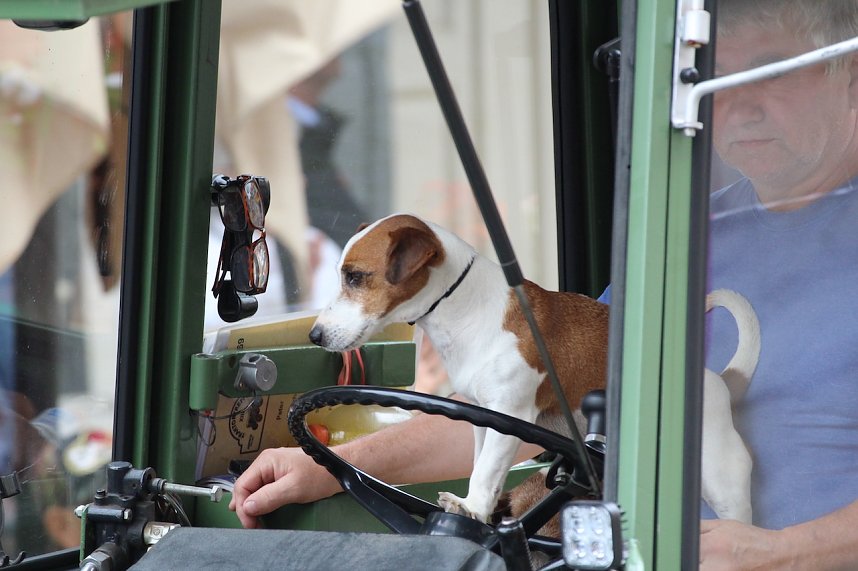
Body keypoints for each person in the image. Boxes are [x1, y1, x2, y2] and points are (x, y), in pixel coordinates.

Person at [231, 1, 858, 568]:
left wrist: (784, 555)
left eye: (772, 72)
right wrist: (333, 468)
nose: (738, 103)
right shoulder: (688, 233)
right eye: (719, 77)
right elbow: (522, 406)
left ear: (847, 73)